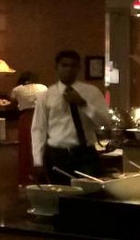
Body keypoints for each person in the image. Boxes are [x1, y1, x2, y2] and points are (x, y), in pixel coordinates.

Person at [32, 50, 109, 185]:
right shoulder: (46, 96)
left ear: (78, 68)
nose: (69, 69)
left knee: (89, 192)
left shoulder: (91, 92)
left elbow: (105, 121)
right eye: (64, 65)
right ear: (57, 68)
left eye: (73, 66)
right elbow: (39, 128)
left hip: (85, 154)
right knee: (61, 194)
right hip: (57, 154)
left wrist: (83, 104)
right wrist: (38, 161)